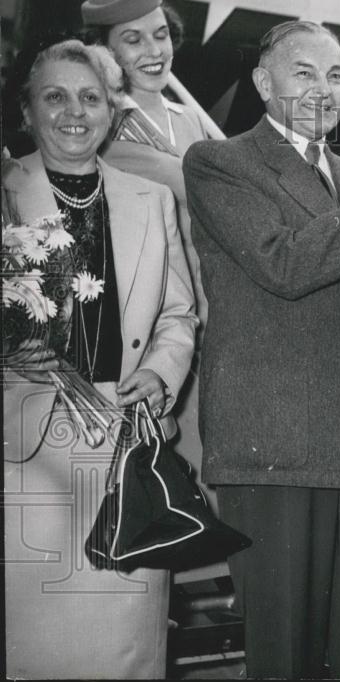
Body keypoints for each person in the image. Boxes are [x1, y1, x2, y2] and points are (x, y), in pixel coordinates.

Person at [182, 19, 340, 679]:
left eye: (336, 75)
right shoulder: (219, 163)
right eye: (305, 72)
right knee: (286, 650)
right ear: (264, 83)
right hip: (275, 444)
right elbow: (282, 264)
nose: (324, 89)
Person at [2, 39, 197, 678]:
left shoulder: (152, 199)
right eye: (54, 96)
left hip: (126, 447)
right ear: (28, 112)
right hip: (24, 451)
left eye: (90, 98)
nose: (75, 112)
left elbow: (177, 316)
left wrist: (163, 372)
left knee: (127, 648)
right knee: (34, 645)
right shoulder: (5, 192)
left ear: (112, 112)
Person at [81, 0, 217, 534]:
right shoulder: (106, 132)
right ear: (105, 55)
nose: (154, 50)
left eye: (160, 34)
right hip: (161, 323)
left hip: (216, 314)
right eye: (132, 39)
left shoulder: (190, 120)